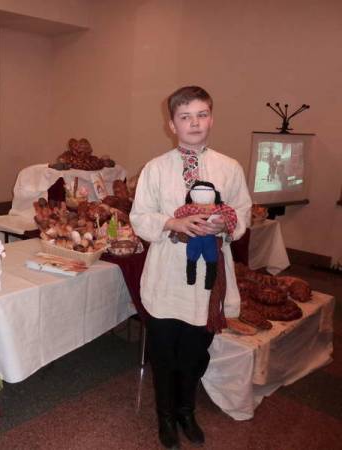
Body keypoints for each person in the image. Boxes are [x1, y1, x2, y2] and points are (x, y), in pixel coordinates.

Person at [130, 86, 251, 449]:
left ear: (211, 119)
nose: (194, 123)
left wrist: (226, 223)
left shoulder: (229, 167)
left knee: (196, 352)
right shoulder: (155, 168)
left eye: (201, 115)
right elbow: (140, 217)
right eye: (185, 117)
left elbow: (242, 212)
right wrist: (173, 222)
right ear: (172, 124)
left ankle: (187, 411)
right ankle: (165, 416)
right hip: (168, 275)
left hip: (208, 281)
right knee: (165, 352)